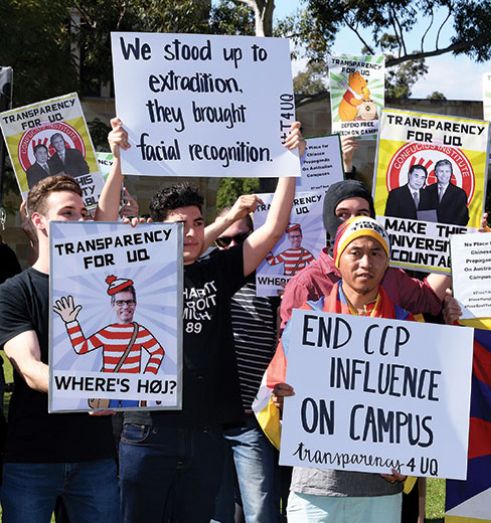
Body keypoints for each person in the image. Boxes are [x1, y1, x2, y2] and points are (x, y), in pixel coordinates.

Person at [107, 118, 304, 522]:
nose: (194, 234)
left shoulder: (218, 269)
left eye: (198, 224)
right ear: (157, 229)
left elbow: (273, 230)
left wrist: (290, 162)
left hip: (208, 433)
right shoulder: (138, 271)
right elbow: (101, 227)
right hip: (147, 432)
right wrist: (118, 159)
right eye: (180, 227)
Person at [268, 217, 409, 523]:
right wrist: (281, 402)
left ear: (387, 263)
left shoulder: (408, 327)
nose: (365, 262)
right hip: (317, 490)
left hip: (381, 493)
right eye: (355, 252)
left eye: (376, 253)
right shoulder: (308, 321)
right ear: (337, 260)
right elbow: (271, 398)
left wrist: (409, 465)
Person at [0, 176, 119, 523]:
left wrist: (120, 158)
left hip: (95, 456)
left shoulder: (104, 289)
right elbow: (30, 369)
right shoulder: (14, 292)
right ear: (39, 221)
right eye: (68, 213)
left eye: (84, 212)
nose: (81, 221)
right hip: (32, 458)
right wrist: (92, 392)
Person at [279, 179, 451, 333]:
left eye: (362, 214)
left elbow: (428, 297)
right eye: (343, 214)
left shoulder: (389, 274)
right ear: (329, 218)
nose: (352, 221)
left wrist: (459, 245)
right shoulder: (306, 284)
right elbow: (292, 349)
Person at [208, 206, 283, 523]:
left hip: (251, 419)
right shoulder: (204, 282)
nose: (232, 246)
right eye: (223, 241)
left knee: (261, 511)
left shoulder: (273, 289)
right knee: (214, 513)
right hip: (207, 422)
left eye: (241, 238)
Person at [51, 276, 165, 409]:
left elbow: (158, 352)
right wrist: (71, 322)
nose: (126, 306)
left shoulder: (140, 332)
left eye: (130, 302)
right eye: (120, 302)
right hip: (109, 391)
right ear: (113, 305)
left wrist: (148, 376)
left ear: (135, 304)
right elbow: (81, 348)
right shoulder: (108, 332)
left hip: (132, 390)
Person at [421, 159, 469, 226]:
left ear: (451, 173)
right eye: (441, 171)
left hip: (450, 233)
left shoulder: (460, 193)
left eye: (447, 171)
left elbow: (463, 218)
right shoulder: (428, 190)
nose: (444, 175)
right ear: (436, 173)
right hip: (430, 231)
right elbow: (423, 212)